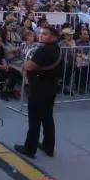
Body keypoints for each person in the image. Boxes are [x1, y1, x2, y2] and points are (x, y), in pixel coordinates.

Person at [15, 25, 61, 158]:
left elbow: (29, 66)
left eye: (45, 34)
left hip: (39, 88)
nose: (40, 35)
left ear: (53, 36)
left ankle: (30, 148)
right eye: (40, 33)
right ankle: (48, 146)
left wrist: (25, 65)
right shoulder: (58, 48)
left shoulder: (43, 50)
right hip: (51, 86)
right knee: (47, 117)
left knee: (34, 119)